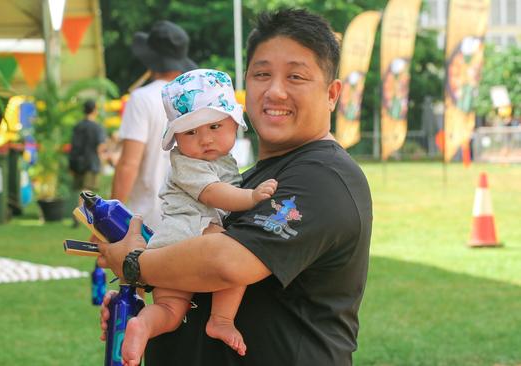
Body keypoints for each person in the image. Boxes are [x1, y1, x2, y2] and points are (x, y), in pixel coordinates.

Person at [98, 8, 373, 366]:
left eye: (295, 76)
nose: (274, 91)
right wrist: (149, 304)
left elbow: (227, 263)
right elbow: (199, 261)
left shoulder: (324, 179)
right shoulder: (247, 178)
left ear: (332, 93)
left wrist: (134, 264)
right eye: (262, 74)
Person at [120, 69, 278, 365]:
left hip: (176, 242)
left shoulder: (223, 160)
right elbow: (214, 194)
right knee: (235, 258)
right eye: (191, 132)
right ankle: (221, 319)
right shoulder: (185, 162)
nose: (204, 139)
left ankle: (142, 326)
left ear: (234, 123)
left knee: (170, 310)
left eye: (214, 126)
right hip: (190, 233)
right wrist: (252, 197)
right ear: (176, 139)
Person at [109, 20, 198, 232]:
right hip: (189, 216)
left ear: (150, 59)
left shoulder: (142, 99)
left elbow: (128, 164)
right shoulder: (196, 99)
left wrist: (110, 217)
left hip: (147, 216)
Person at [69, 100, 106, 193]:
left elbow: (73, 145)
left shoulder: (78, 126)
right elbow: (100, 147)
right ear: (94, 110)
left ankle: (80, 208)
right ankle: (83, 208)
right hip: (91, 163)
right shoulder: (97, 127)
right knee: (87, 193)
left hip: (78, 163)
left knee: (81, 192)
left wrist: (71, 164)